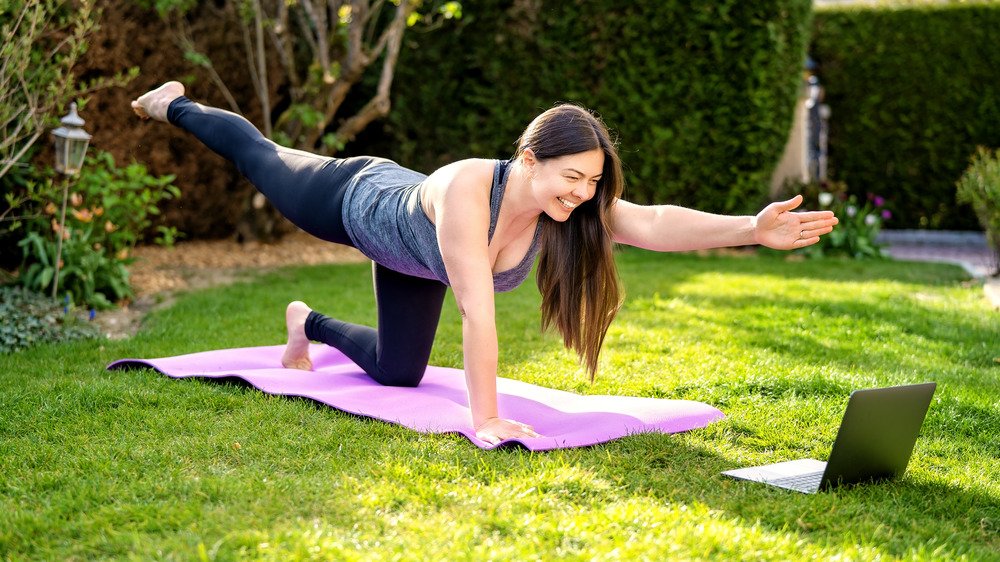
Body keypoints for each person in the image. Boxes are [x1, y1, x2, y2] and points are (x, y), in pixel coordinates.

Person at [132, 82, 838, 445]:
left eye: (593, 183)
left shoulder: (570, 207)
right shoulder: (475, 189)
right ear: (529, 159)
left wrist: (751, 227)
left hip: (412, 261)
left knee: (400, 373)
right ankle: (177, 104)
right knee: (260, 155)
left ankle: (306, 322)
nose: (582, 194)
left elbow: (650, 221)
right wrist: (488, 418)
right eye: (572, 177)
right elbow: (476, 311)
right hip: (355, 199)